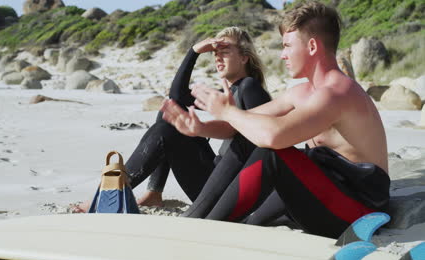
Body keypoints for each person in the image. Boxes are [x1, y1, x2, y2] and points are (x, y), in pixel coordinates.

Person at [162, 1, 390, 239]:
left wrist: (228, 111)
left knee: (271, 151)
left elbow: (273, 136)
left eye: (287, 45)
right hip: (324, 193)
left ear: (312, 46)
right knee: (251, 139)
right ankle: (203, 221)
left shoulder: (337, 93)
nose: (282, 55)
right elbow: (246, 124)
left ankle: (201, 230)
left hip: (360, 212)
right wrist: (201, 127)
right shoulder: (302, 92)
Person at [73, 26, 271, 212]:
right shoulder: (230, 91)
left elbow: (256, 146)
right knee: (169, 112)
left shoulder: (250, 87)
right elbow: (175, 95)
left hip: (228, 188)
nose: (218, 58)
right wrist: (194, 51)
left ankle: (110, 192)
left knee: (166, 130)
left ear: (244, 57)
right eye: (215, 54)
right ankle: (154, 192)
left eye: (225, 52)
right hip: (216, 175)